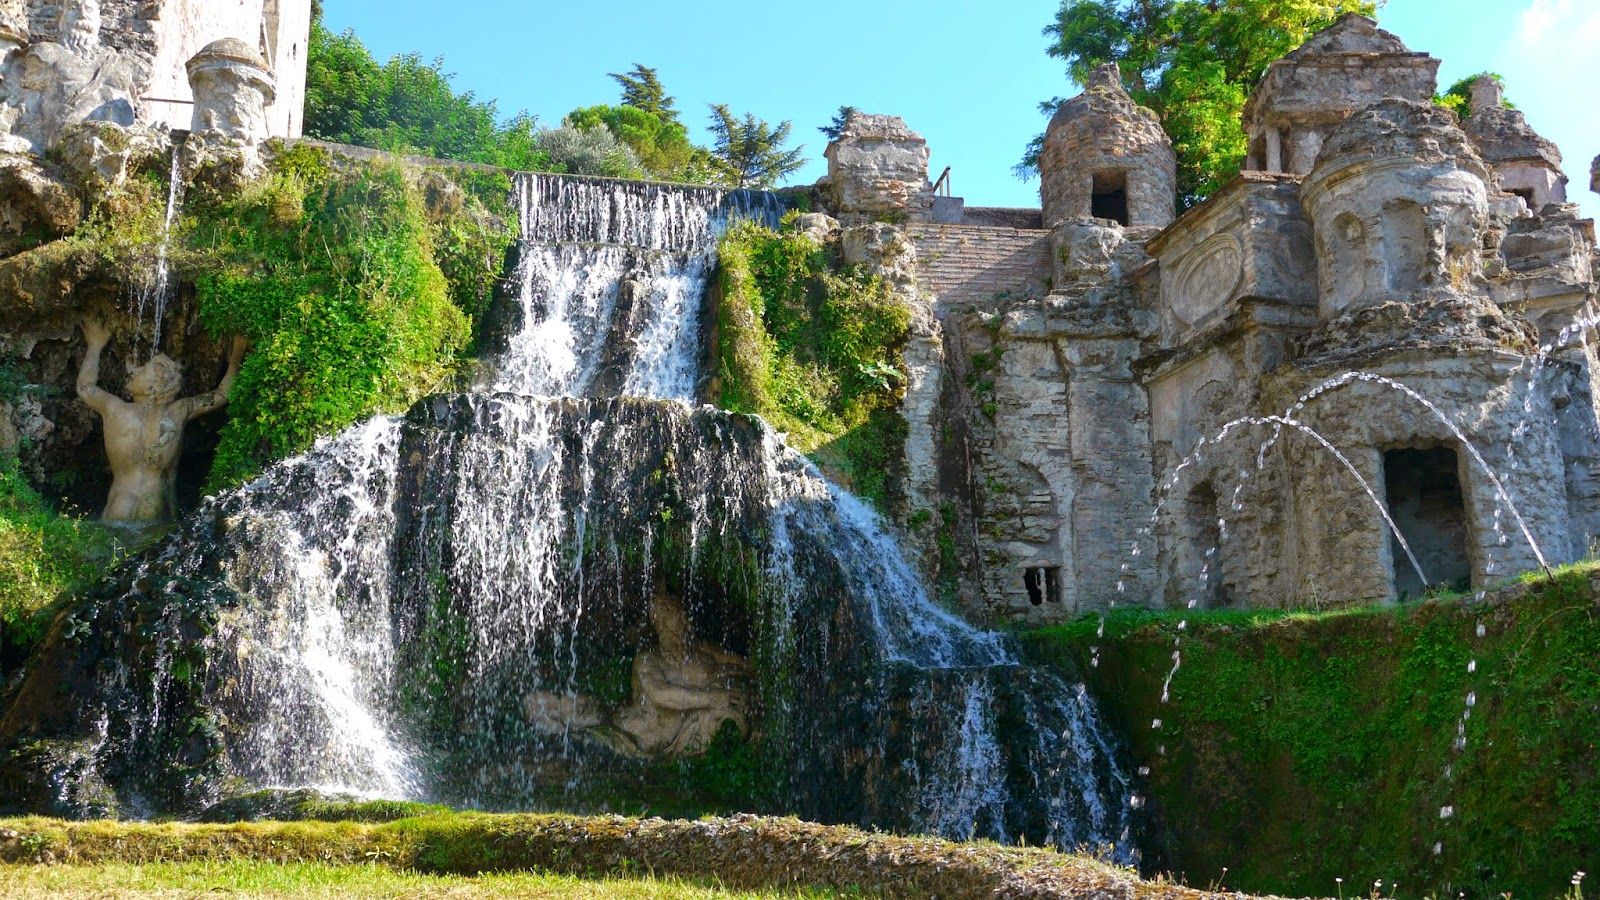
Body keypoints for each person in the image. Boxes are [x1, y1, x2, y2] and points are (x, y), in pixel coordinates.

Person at [76, 315, 246, 525]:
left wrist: (94, 346)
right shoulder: (179, 409)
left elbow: (85, 388)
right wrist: (237, 352)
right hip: (155, 502)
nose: (132, 373)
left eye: (142, 370)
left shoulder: (115, 409)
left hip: (119, 502)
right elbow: (223, 393)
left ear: (153, 387)